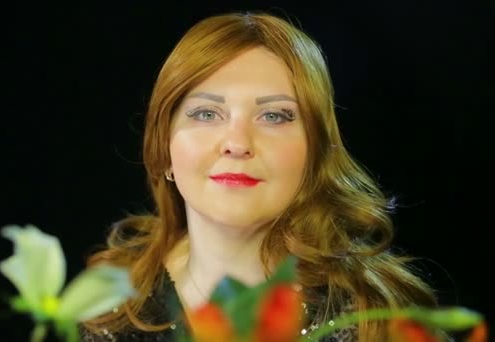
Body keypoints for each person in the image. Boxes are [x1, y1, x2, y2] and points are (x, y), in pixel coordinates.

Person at [81, 11, 437, 341]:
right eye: (206, 114)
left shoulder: (376, 321)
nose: (237, 143)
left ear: (315, 150)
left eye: (274, 116)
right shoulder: (109, 308)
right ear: (164, 149)